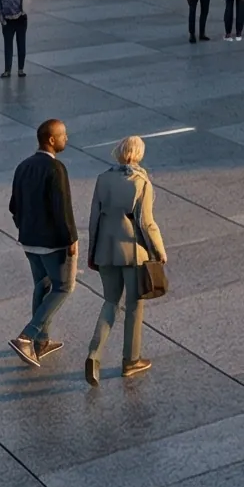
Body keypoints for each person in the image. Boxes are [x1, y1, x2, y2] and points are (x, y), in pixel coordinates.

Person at [84, 136, 165, 384]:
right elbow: (145, 222)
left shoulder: (103, 179)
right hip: (133, 251)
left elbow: (93, 220)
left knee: (109, 302)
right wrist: (159, 250)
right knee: (133, 305)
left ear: (118, 152)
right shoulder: (141, 182)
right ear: (139, 154)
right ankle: (130, 360)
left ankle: (94, 355)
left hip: (105, 250)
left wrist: (92, 253)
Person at [8, 118, 77, 366]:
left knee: (42, 285)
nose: (66, 138)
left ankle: (42, 341)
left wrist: (24, 227)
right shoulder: (56, 169)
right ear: (51, 140)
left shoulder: (23, 166)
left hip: (28, 240)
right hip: (52, 243)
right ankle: (27, 336)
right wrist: (71, 238)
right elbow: (63, 208)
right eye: (63, 135)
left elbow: (13, 206)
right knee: (63, 287)